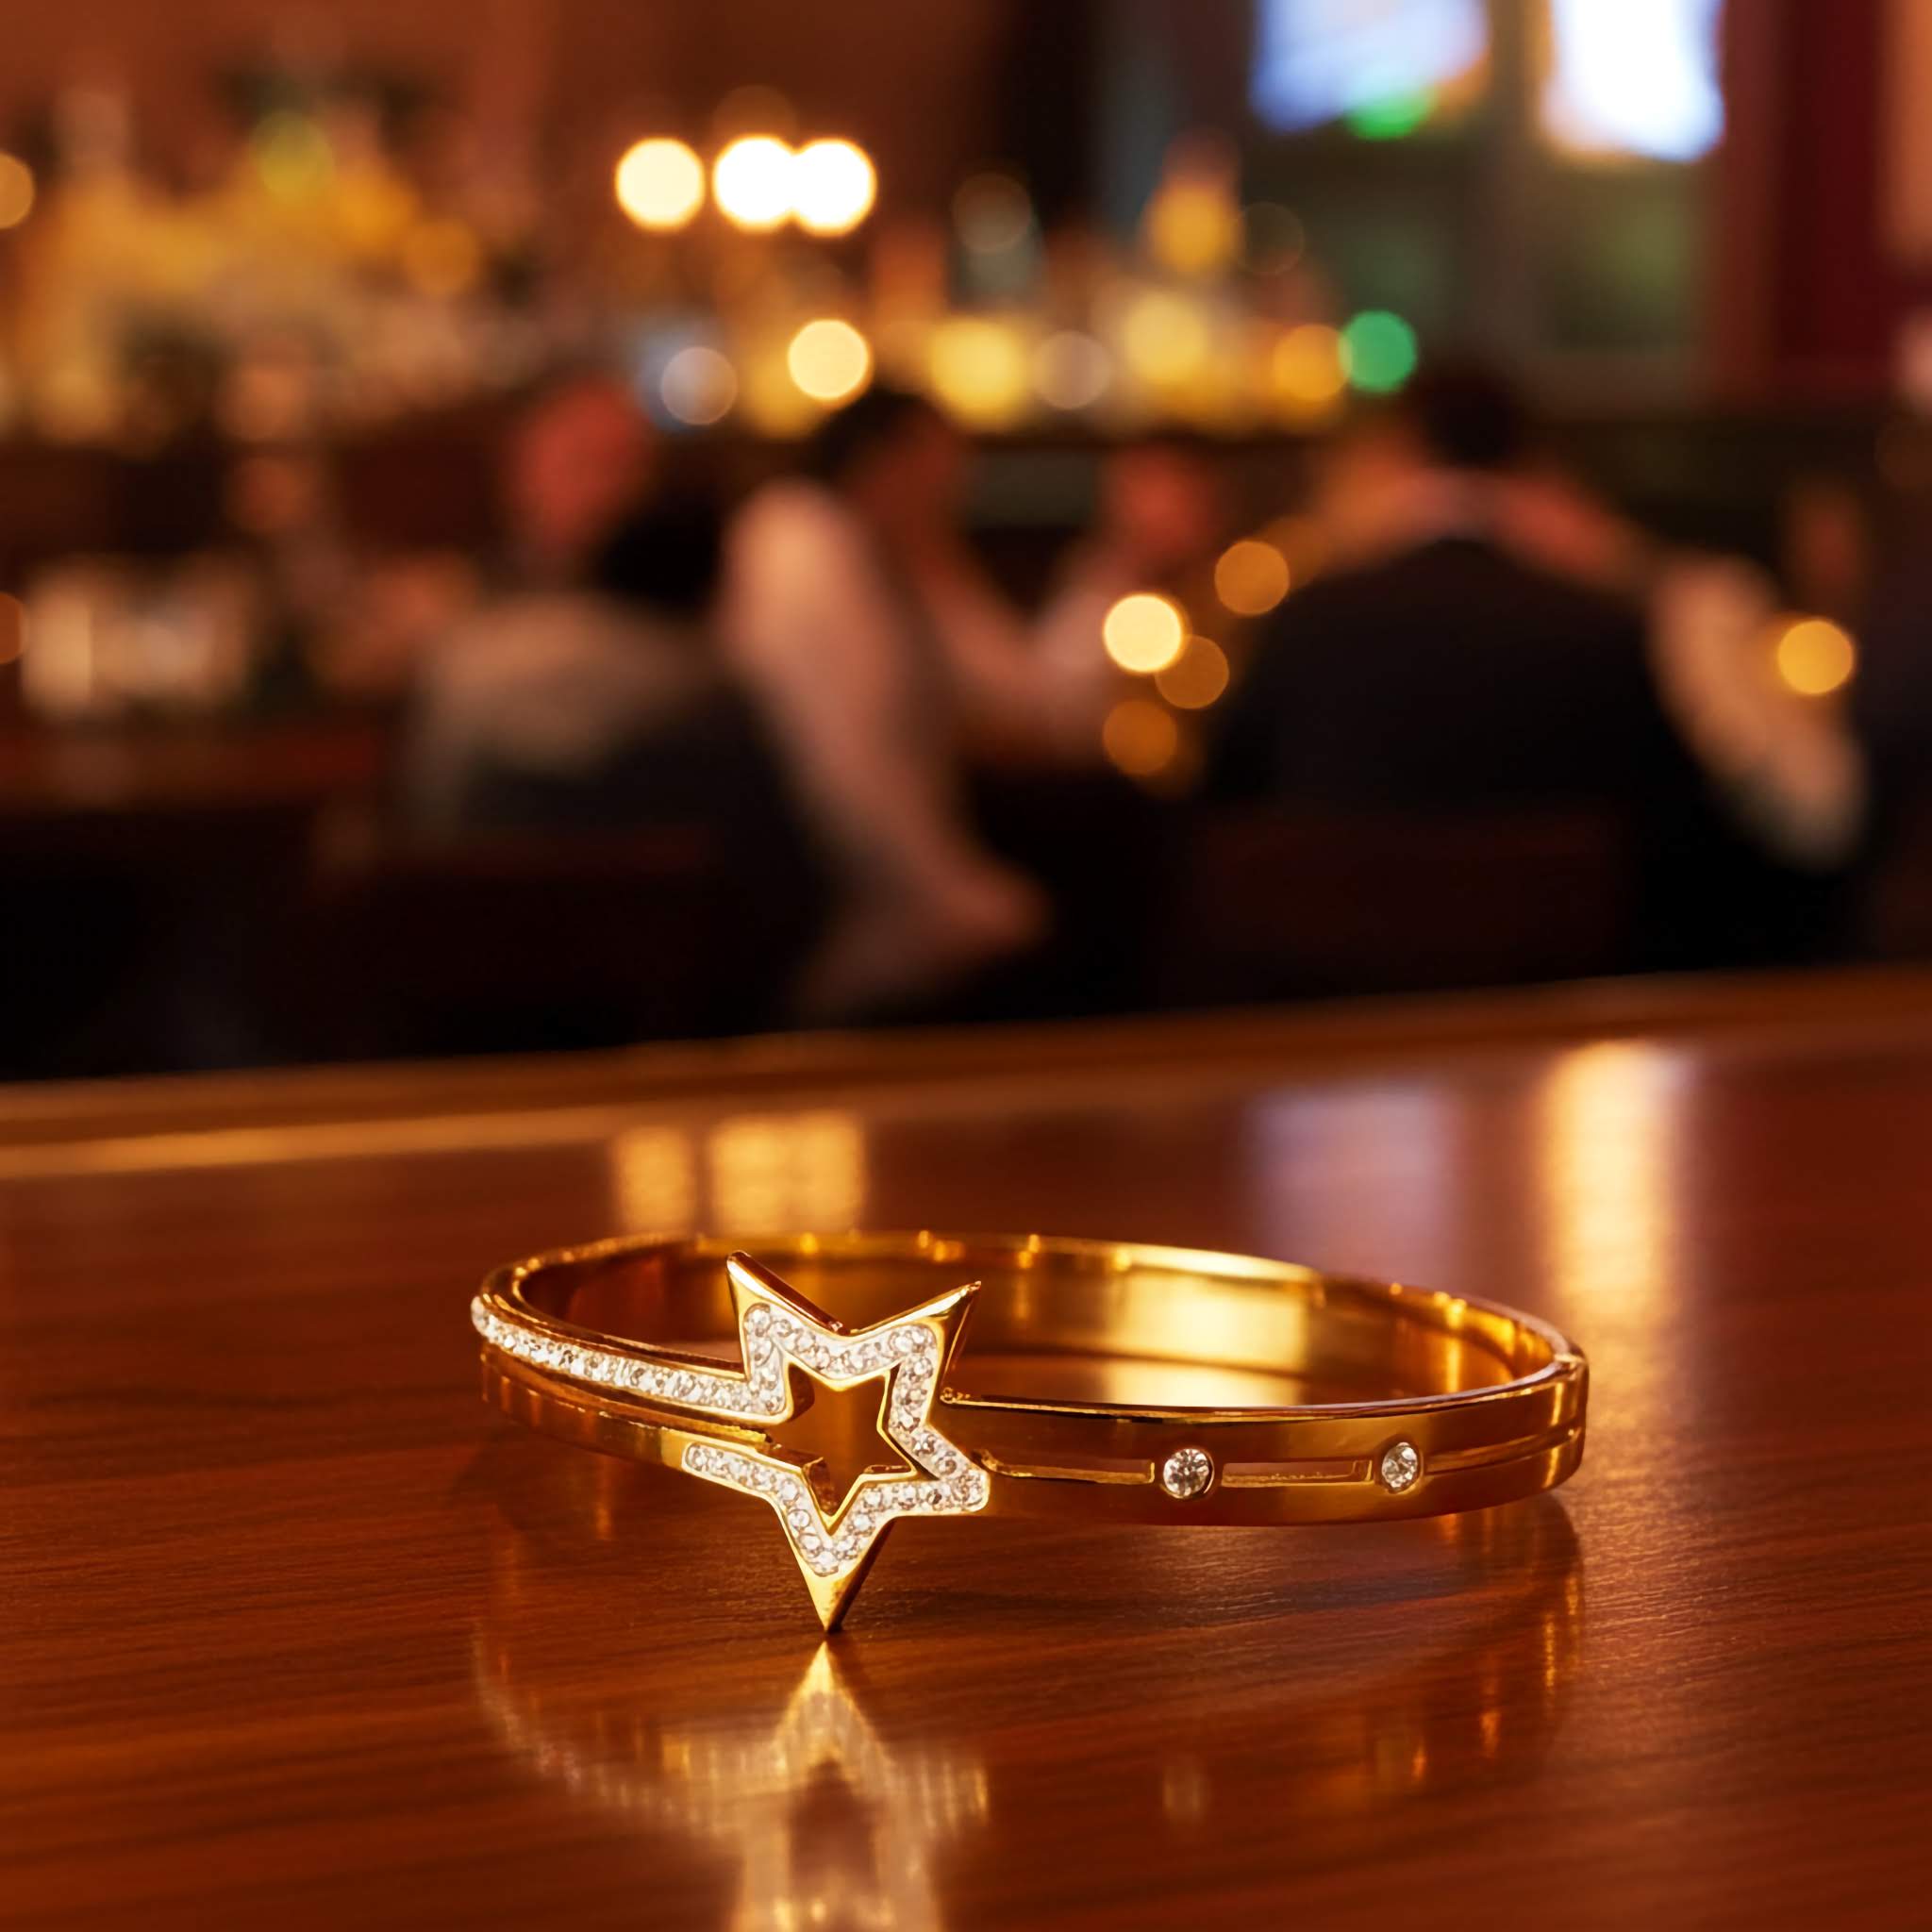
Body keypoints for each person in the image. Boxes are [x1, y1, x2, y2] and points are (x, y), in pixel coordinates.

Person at [1205, 364, 1856, 973]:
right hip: (1573, 1023)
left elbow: (1225, 800)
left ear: (1392, 450)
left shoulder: (1305, 617)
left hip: (1332, 1019)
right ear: (1537, 465)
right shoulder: (1610, 621)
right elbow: (1704, 835)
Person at [724, 386, 1068, 1018]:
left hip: (877, 900)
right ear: (886, 460)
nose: (955, 490)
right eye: (944, 467)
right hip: (826, 916)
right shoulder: (799, 540)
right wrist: (949, 898)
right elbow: (846, 764)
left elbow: (1031, 696)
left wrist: (933, 561)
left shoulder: (879, 553)